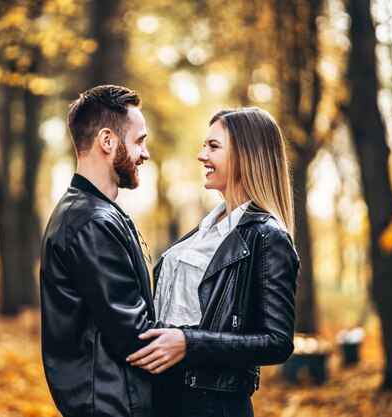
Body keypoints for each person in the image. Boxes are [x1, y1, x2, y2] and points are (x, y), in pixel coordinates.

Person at [126, 107, 300, 417]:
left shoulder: (267, 236)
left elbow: (277, 341)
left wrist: (189, 343)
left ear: (246, 155)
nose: (201, 155)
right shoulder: (208, 228)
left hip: (210, 405)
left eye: (213, 146)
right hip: (167, 397)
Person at [40, 85, 162, 417]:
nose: (145, 153)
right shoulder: (91, 222)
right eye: (139, 141)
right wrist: (208, 344)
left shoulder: (92, 213)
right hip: (114, 406)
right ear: (107, 140)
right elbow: (136, 337)